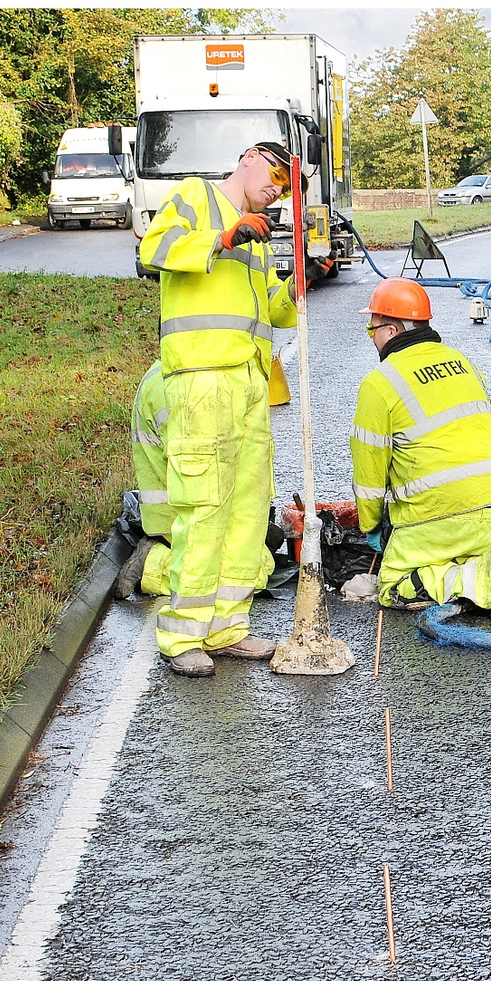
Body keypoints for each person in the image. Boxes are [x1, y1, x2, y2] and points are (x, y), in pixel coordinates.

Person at [135, 141, 299, 677]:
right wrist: (222, 238)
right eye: (275, 174)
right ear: (249, 158)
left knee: (249, 507)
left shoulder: (256, 234)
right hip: (203, 378)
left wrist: (298, 282)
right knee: (204, 506)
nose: (278, 188)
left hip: (250, 381)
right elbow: (153, 250)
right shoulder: (196, 196)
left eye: (287, 185)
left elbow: (269, 308)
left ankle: (227, 626)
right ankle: (182, 637)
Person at [347, 277, 491, 620]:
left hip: (438, 514)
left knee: (393, 585)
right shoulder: (462, 361)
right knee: (463, 553)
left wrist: (372, 527)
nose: (373, 338)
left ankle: (488, 582)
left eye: (373, 330)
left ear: (392, 330)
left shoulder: (379, 383)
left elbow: (369, 473)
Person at [116, 360, 173, 599]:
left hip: (172, 515)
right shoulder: (173, 387)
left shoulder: (162, 373)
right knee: (245, 575)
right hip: (183, 516)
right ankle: (155, 562)